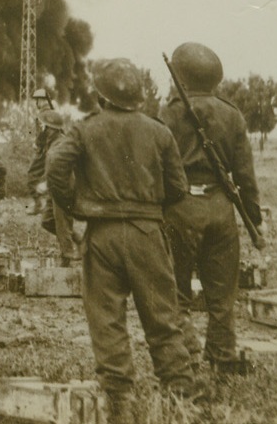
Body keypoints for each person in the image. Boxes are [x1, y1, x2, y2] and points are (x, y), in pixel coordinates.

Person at [46, 58, 197, 422]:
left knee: (106, 319)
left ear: (101, 96)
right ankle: (180, 396)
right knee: (163, 315)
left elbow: (54, 165)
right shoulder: (159, 132)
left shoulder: (85, 129)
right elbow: (178, 188)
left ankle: (119, 404)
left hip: (102, 234)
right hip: (147, 234)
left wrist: (73, 205)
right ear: (138, 96)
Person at [160, 42, 261, 377]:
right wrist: (254, 220)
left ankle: (186, 357)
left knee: (176, 293)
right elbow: (245, 175)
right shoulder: (231, 114)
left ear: (181, 77)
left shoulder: (168, 114)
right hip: (221, 208)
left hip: (180, 208)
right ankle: (222, 356)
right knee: (222, 295)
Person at [26, 110, 77, 263]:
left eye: (44, 126)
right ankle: (77, 239)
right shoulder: (49, 143)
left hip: (64, 189)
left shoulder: (61, 143)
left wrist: (47, 184)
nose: (41, 128)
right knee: (47, 221)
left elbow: (62, 169)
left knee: (61, 222)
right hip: (55, 188)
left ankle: (67, 259)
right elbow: (38, 167)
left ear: (51, 129)